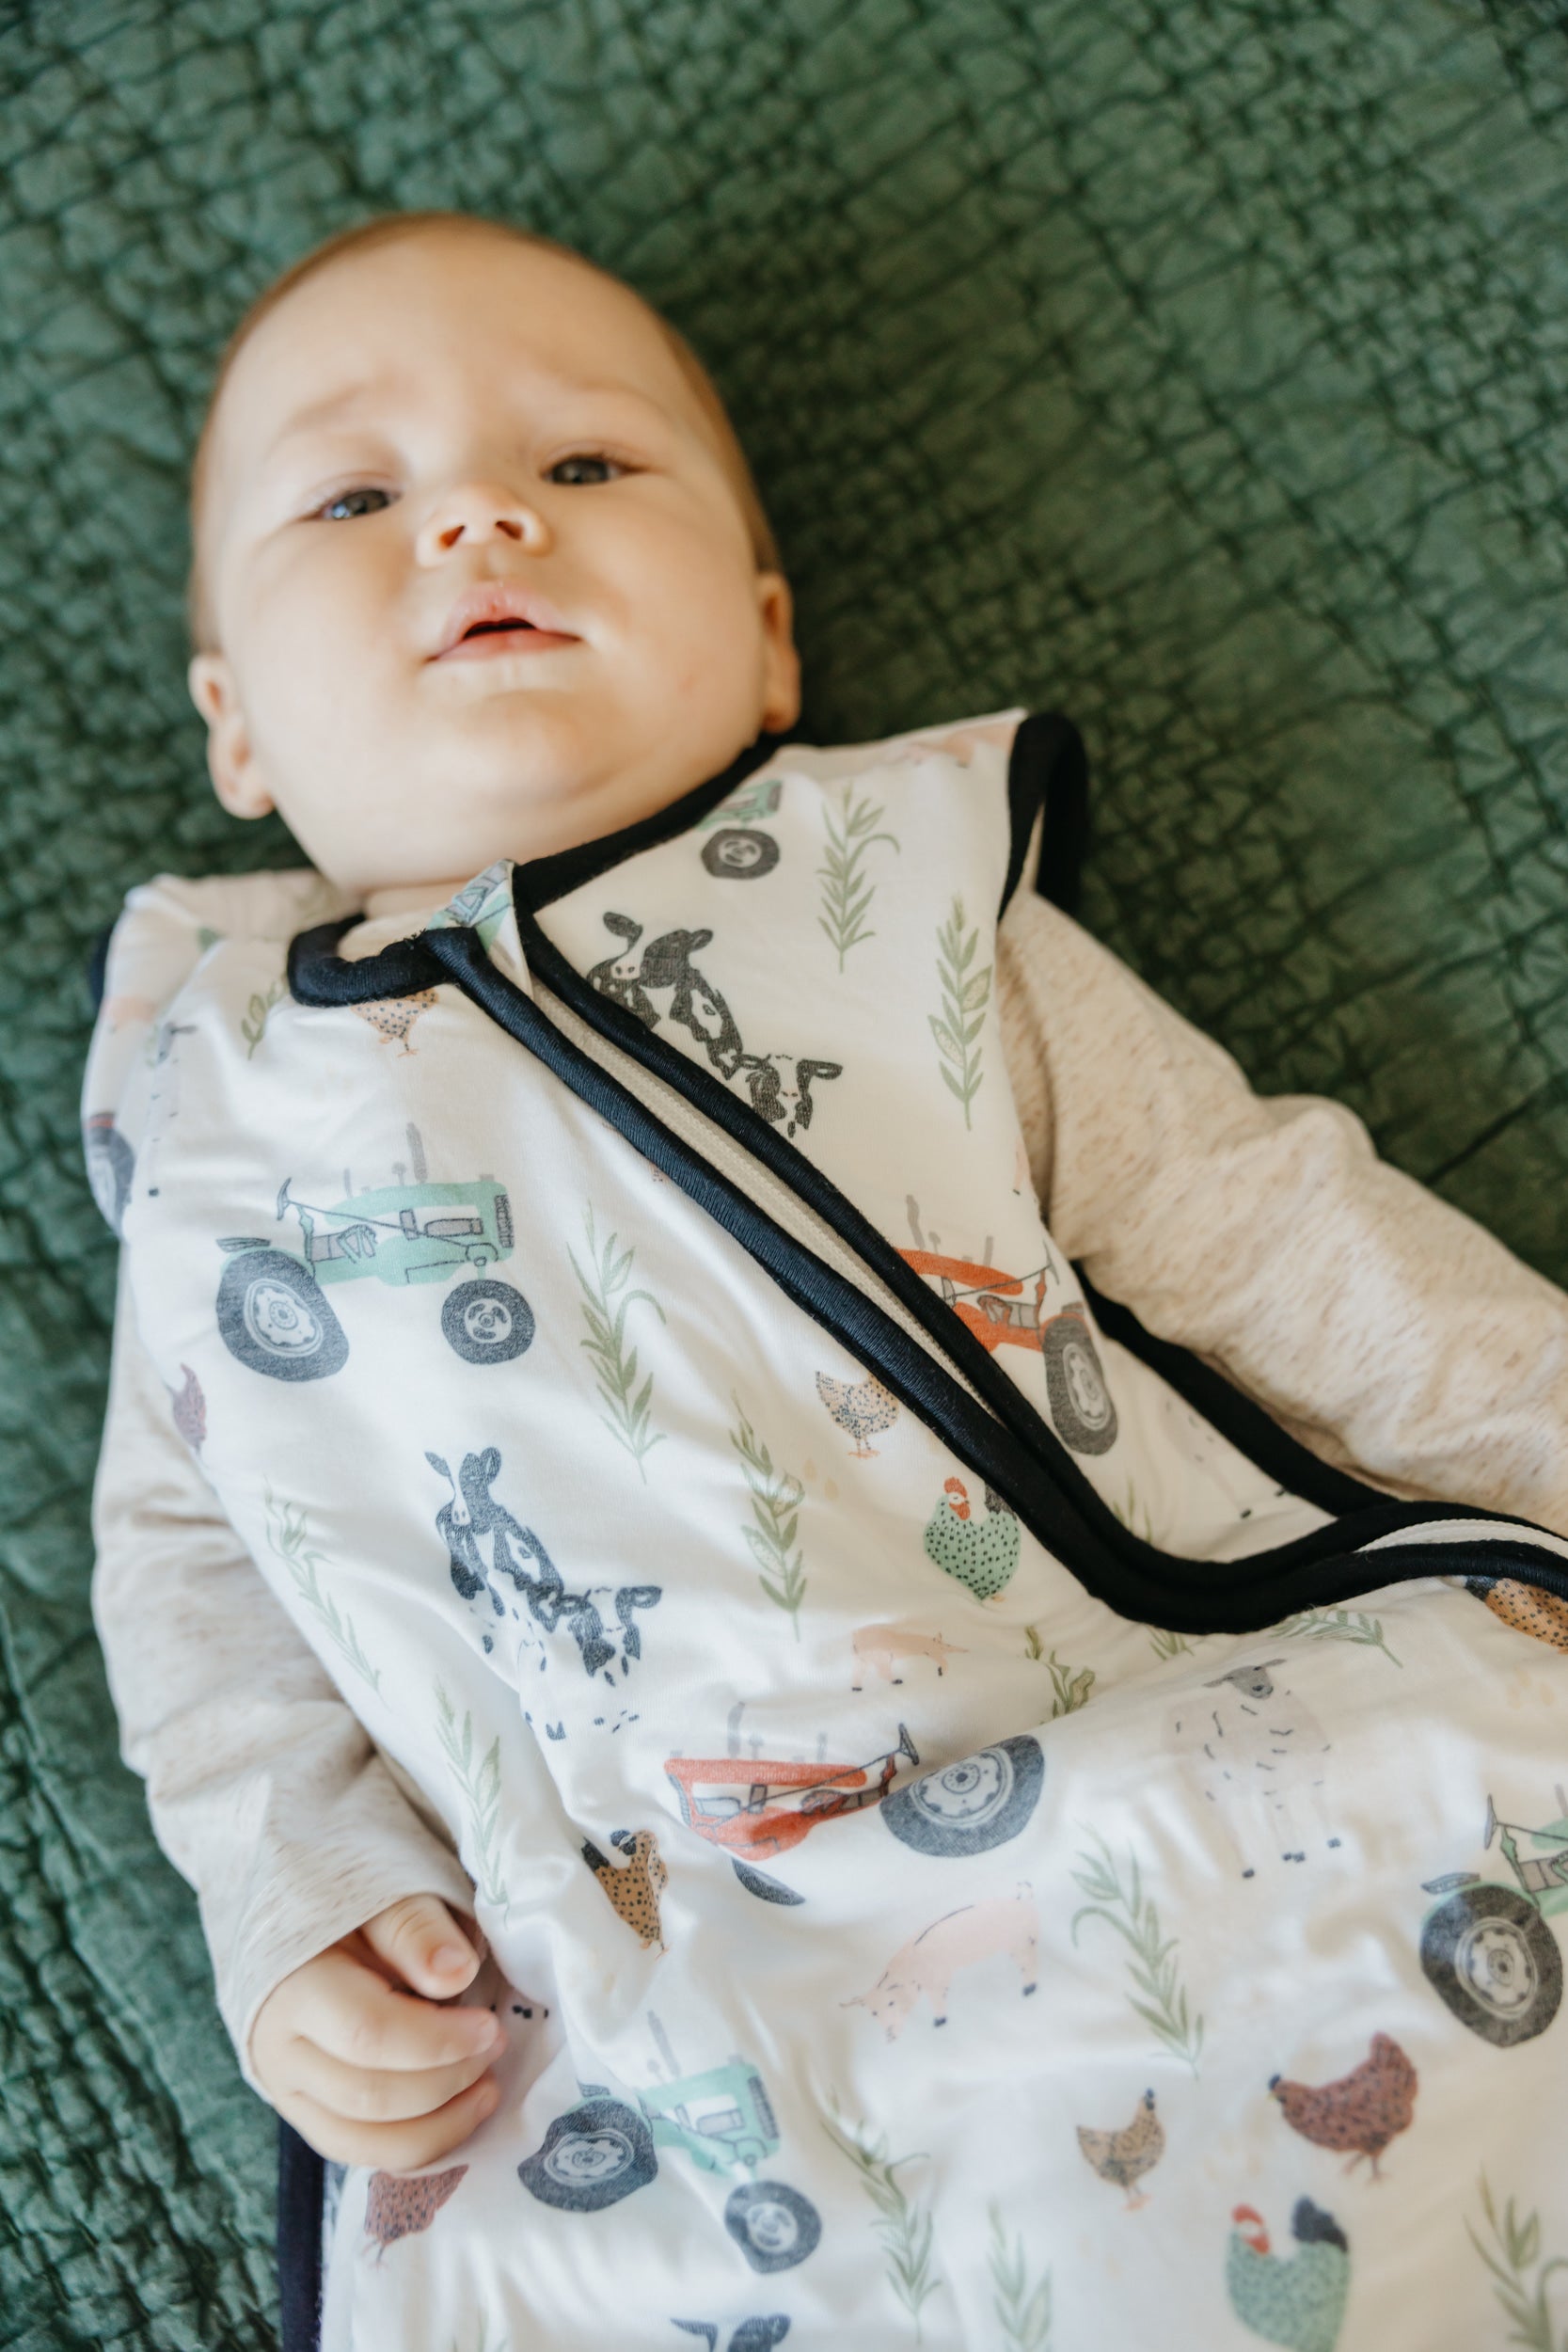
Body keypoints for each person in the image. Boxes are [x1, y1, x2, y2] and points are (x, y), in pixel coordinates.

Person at [86, 209, 1568, 2349]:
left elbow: (1266, 1224)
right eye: (351, 497)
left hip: (1166, 1733)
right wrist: (296, 1894)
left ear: (768, 642)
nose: (481, 514)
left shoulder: (895, 905)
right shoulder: (208, 1102)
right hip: (671, 1961)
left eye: (585, 464)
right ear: (236, 725)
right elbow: (197, 1569)